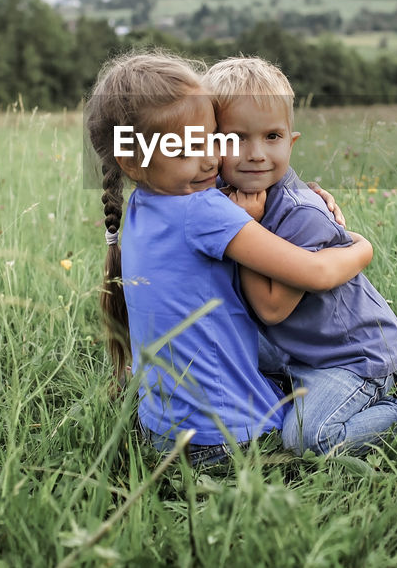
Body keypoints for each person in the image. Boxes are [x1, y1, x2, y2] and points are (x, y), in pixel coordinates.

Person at [84, 50, 376, 468]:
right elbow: (314, 272)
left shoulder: (139, 202)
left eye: (212, 140)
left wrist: (308, 193)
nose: (210, 160)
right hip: (221, 440)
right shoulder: (206, 211)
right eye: (189, 147)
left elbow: (234, 171)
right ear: (135, 158)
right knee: (306, 438)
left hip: (158, 427)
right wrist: (361, 246)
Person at [201, 56, 397, 457]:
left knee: (306, 438)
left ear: (291, 141)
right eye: (237, 138)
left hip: (347, 354)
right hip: (294, 347)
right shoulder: (222, 189)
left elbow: (272, 308)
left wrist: (246, 229)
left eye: (272, 136)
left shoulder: (302, 213)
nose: (257, 153)